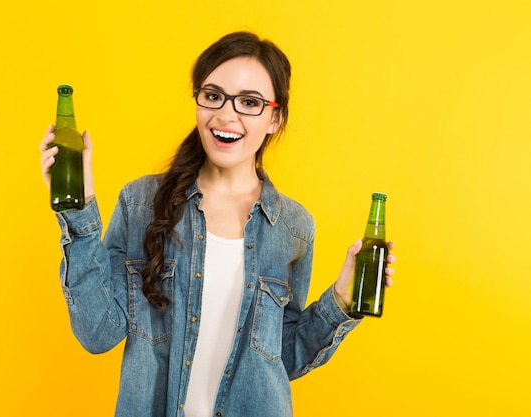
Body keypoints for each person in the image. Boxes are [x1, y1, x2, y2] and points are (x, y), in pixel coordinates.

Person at [39, 31, 396, 417]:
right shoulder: (141, 203)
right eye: (213, 96)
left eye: (249, 103)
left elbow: (283, 357)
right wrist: (80, 210)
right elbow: (98, 333)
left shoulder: (293, 228)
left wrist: (342, 301)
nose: (226, 116)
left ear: (275, 118)